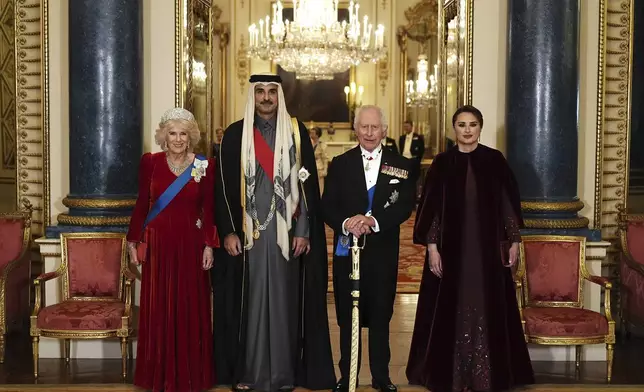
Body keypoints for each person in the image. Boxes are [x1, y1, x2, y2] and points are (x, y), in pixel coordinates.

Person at [213, 74, 336, 392]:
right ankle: (249, 372)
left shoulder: (295, 132)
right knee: (250, 304)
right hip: (249, 235)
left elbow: (307, 184)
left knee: (284, 303)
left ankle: (284, 374)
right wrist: (228, 231)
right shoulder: (235, 135)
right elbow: (223, 188)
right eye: (260, 92)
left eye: (271, 92)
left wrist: (305, 230)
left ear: (279, 95)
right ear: (252, 95)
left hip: (287, 235)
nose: (266, 97)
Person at [406, 105, 534, 392]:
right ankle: (450, 375)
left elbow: (507, 204)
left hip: (487, 251)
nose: (467, 130)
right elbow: (432, 211)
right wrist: (432, 249)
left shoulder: (494, 161)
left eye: (472, 124)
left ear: (480, 127)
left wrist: (513, 241)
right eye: (461, 124)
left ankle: (489, 375)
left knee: (489, 303)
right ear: (454, 129)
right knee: (451, 304)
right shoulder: (441, 163)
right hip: (450, 252)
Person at [323, 105, 415, 392]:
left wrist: (373, 221)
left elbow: (404, 205)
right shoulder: (340, 163)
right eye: (364, 127)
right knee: (348, 317)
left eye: (375, 127)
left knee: (380, 315)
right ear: (356, 129)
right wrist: (348, 222)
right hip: (347, 251)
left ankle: (381, 377)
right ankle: (347, 376)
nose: (370, 133)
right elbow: (327, 206)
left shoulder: (400, 165)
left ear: (384, 130)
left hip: (382, 251)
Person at [126, 107, 216, 392]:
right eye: (172, 133)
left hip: (190, 245)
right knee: (159, 307)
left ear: (191, 138)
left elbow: (209, 209)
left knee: (191, 306)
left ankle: (191, 376)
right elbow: (142, 203)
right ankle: (158, 375)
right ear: (163, 136)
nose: (178, 139)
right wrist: (133, 241)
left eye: (183, 134)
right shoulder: (150, 162)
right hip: (158, 246)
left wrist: (209, 245)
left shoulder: (204, 165)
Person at [309, 126, 329, 194]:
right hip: (310, 168)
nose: (311, 134)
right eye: (310, 133)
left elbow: (325, 158)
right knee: (310, 188)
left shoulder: (322, 145)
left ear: (317, 135)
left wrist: (325, 170)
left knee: (320, 189)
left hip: (319, 169)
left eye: (313, 133)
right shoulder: (309, 144)